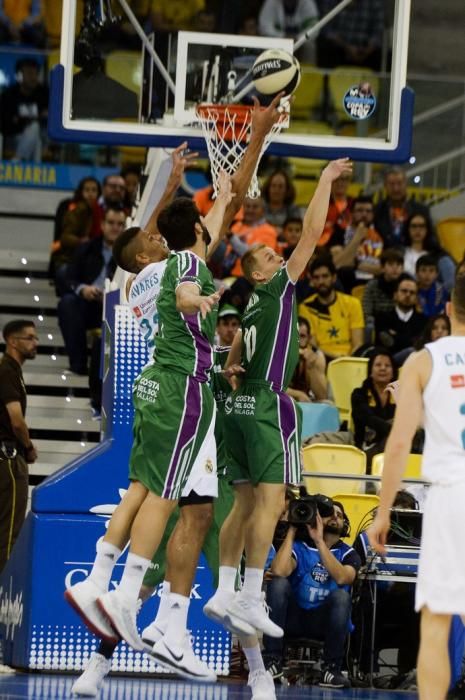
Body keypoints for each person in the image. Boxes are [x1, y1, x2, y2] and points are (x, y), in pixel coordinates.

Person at [65, 96, 286, 688]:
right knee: (165, 499)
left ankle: (160, 617)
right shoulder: (181, 265)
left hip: (164, 386)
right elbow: (209, 230)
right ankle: (124, 593)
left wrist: (169, 194)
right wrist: (257, 133)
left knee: (183, 506)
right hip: (183, 390)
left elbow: (152, 239)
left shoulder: (134, 278)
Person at [203, 158, 353, 644]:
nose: (278, 255)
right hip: (265, 405)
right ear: (263, 273)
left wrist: (230, 361)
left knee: (242, 503)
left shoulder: (250, 302)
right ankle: (249, 593)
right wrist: (326, 180)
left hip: (237, 406)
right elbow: (312, 232)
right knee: (272, 499)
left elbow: (241, 343)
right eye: (269, 256)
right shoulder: (280, 289)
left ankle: (224, 590)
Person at [367, 271, 465, 700]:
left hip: (449, 495)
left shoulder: (423, 361)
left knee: (436, 621)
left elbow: (401, 441)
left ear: (447, 308)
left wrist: (385, 511)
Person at [262, 496, 361, 688]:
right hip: (293, 618)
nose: (334, 517)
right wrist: (293, 528)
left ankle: (331, 669)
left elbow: (343, 577)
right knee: (278, 583)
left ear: (345, 524)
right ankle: (272, 662)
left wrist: (320, 542)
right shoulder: (300, 547)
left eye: (339, 515)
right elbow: (280, 571)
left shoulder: (349, 554)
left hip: (324, 623)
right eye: (329, 514)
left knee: (341, 596)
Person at [57, 206, 127, 376]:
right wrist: (83, 289)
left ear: (125, 227)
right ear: (102, 225)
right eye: (111, 223)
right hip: (88, 305)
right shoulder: (86, 248)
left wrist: (112, 297)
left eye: (120, 224)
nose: (115, 227)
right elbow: (70, 278)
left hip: (117, 307)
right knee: (67, 302)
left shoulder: (128, 253)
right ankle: (78, 365)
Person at [0, 320, 38, 573]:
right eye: (30, 338)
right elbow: (16, 420)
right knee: (9, 529)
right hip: (8, 459)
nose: (36, 343)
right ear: (12, 341)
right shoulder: (7, 371)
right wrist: (29, 446)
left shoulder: (10, 371)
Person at [298, 256, 364, 360]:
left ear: (334, 277)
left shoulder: (353, 303)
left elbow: (358, 343)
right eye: (316, 277)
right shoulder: (305, 308)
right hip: (322, 359)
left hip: (351, 359)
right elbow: (313, 345)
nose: (321, 281)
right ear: (311, 280)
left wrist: (349, 359)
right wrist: (336, 359)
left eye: (325, 276)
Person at [351, 349, 397, 467]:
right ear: (370, 371)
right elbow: (368, 419)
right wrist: (396, 430)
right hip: (365, 447)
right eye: (378, 365)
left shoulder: (401, 394)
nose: (383, 368)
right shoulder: (359, 394)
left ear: (393, 372)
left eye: (387, 365)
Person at [330, 195, 383, 291]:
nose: (364, 214)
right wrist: (357, 237)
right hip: (346, 284)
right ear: (351, 213)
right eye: (359, 210)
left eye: (368, 211)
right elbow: (336, 265)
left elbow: (384, 269)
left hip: (375, 285)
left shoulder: (381, 234)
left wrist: (356, 264)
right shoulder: (340, 233)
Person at [0, 57, 48, 162]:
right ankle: (35, 171)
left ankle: (18, 160)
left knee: (36, 132)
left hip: (41, 136)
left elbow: (49, 117)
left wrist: (21, 120)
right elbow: (6, 123)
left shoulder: (44, 93)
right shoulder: (9, 95)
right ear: (19, 76)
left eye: (36, 74)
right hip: (14, 137)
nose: (33, 78)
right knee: (36, 138)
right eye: (29, 74)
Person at [316, 0, 384, 71]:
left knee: (381, 54)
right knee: (324, 45)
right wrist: (346, 47)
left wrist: (368, 49)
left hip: (366, 54)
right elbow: (326, 29)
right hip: (338, 51)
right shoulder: (331, 2)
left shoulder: (375, 3)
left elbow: (378, 32)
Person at [374, 167, 432, 248]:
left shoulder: (421, 210)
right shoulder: (377, 210)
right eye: (391, 184)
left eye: (399, 183)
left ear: (406, 184)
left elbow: (431, 239)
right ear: (385, 186)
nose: (396, 189)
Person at [375, 274, 427, 365]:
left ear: (416, 298)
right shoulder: (382, 318)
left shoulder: (424, 321)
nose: (407, 295)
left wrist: (396, 337)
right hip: (387, 364)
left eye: (412, 293)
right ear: (395, 295)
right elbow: (385, 345)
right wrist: (410, 340)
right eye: (404, 291)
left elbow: (420, 347)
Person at [401, 213, 456, 293]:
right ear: (407, 229)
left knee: (446, 262)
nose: (418, 230)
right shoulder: (400, 252)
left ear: (427, 229)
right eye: (414, 226)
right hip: (406, 294)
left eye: (422, 226)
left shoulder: (438, 255)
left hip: (435, 297)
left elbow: (450, 281)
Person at [227, 197, 280, 277]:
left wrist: (231, 237)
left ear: (263, 211)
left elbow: (257, 257)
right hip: (228, 271)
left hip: (252, 278)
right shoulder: (237, 226)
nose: (250, 210)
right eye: (247, 206)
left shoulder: (268, 231)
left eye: (255, 207)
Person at [362, 248, 404, 343]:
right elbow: (367, 311)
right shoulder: (373, 285)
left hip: (398, 323)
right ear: (382, 267)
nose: (395, 268)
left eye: (398, 265)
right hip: (378, 323)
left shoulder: (406, 284)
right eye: (390, 265)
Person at [287, 316, 327, 402]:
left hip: (307, 401)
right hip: (283, 400)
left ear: (309, 338)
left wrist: (311, 367)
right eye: (294, 335)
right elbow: (272, 388)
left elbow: (322, 396)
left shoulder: (317, 356)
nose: (297, 340)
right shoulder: (279, 353)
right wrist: (298, 394)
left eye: (302, 336)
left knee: (328, 403)